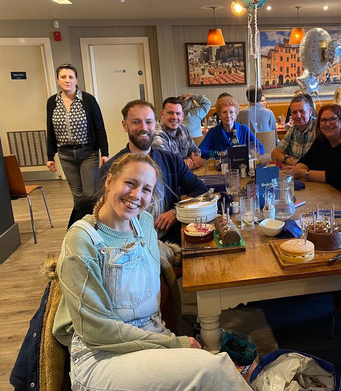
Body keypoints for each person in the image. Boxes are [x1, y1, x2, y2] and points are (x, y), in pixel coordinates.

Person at [52, 153, 251, 391]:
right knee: (210, 369)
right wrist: (173, 344)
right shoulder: (81, 240)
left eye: (146, 189)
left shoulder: (144, 223)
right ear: (109, 181)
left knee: (219, 364)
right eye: (130, 183)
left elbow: (154, 275)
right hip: (102, 355)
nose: (137, 195)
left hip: (150, 336)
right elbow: (97, 331)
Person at [99, 100, 207, 236]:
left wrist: (176, 211)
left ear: (155, 124)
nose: (144, 128)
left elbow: (200, 189)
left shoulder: (172, 160)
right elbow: (99, 212)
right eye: (136, 122)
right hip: (127, 242)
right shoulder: (110, 168)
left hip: (169, 238)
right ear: (125, 125)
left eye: (149, 122)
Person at [46, 64, 109, 227]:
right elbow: (50, 129)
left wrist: (104, 152)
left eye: (71, 77)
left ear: (76, 80)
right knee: (77, 195)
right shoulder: (52, 102)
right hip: (65, 155)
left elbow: (99, 127)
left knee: (90, 194)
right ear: (57, 80)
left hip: (88, 153)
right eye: (63, 77)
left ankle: (96, 225)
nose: (67, 80)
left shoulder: (87, 100)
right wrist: (50, 156)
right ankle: (82, 227)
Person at [283, 104, 341, 195]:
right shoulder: (323, 140)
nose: (327, 124)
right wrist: (294, 170)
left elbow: (337, 178)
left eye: (333, 119)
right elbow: (307, 160)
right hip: (327, 192)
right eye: (323, 120)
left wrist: (302, 173)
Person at [198, 95, 264, 158]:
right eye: (224, 112)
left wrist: (248, 153)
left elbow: (260, 148)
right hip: (220, 165)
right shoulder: (213, 132)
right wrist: (218, 154)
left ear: (236, 114)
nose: (228, 116)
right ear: (219, 115)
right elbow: (200, 151)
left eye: (231, 112)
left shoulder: (244, 129)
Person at [152, 97, 203, 170]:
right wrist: (193, 164)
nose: (174, 117)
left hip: (184, 174)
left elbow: (196, 151)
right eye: (170, 113)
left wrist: (187, 161)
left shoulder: (183, 128)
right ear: (162, 114)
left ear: (182, 116)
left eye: (178, 113)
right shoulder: (156, 134)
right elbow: (168, 165)